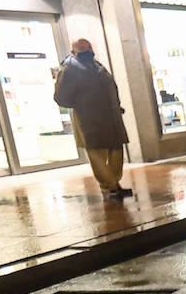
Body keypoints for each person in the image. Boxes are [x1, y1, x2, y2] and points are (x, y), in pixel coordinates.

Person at [53, 38, 130, 199]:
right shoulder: (69, 69)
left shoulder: (98, 66)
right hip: (90, 120)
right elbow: (61, 97)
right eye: (81, 47)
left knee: (116, 153)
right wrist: (83, 105)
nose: (85, 48)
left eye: (88, 45)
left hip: (112, 119)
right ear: (73, 51)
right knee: (97, 154)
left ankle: (114, 184)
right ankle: (110, 187)